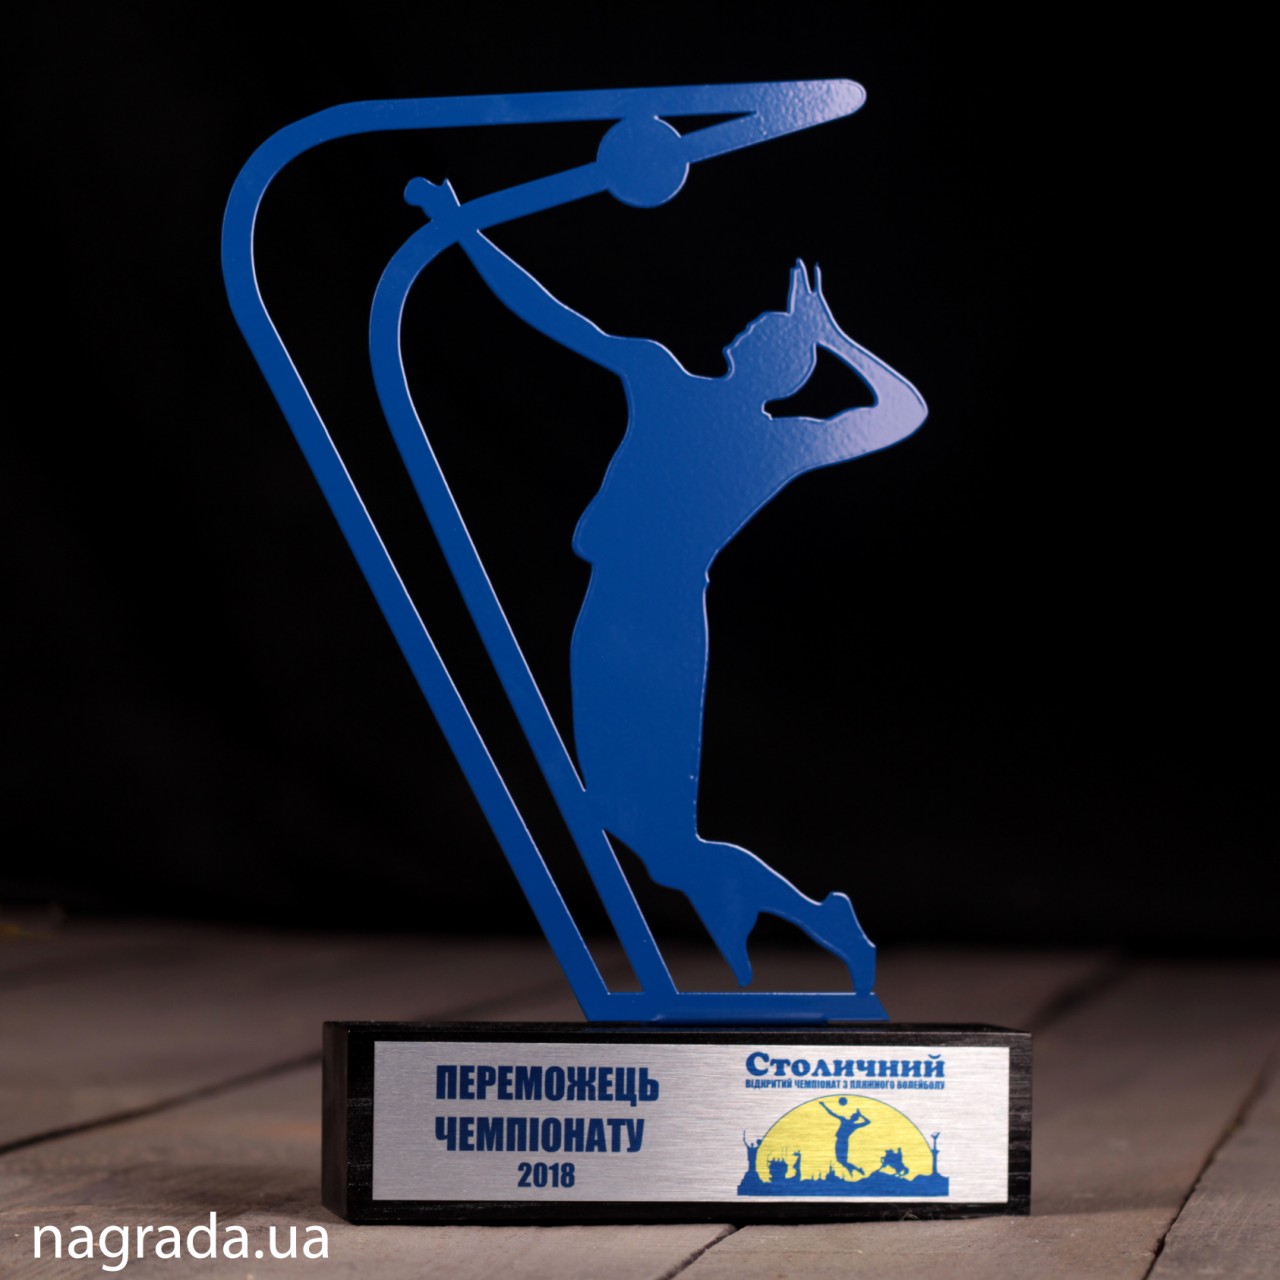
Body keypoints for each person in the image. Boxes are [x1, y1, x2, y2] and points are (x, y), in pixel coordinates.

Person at [413, 178, 926, 991]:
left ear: (763, 358)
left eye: (765, 331)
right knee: (639, 834)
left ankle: (818, 921)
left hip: (656, 618)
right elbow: (555, 318)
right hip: (618, 608)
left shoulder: (763, 433)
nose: (751, 325)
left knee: (648, 834)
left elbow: (902, 416)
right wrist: (460, 230)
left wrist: (831, 336)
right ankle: (796, 928)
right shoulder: (675, 387)